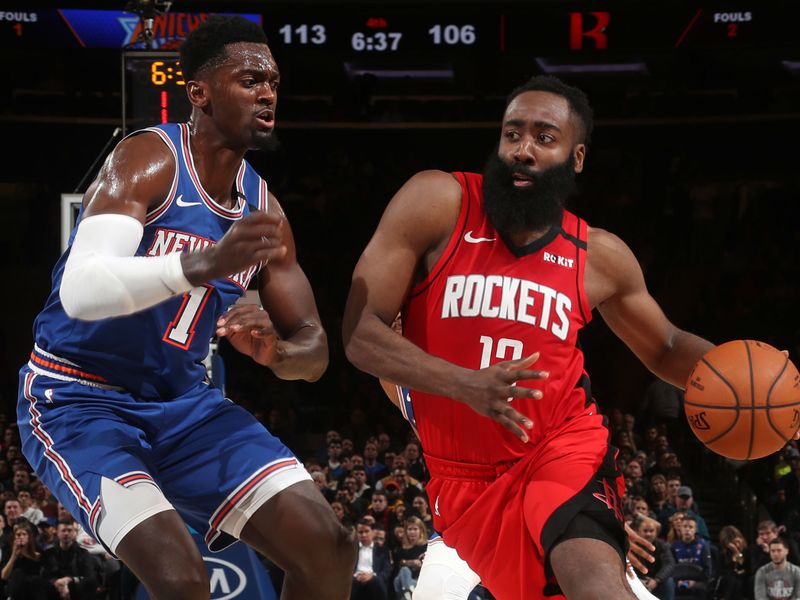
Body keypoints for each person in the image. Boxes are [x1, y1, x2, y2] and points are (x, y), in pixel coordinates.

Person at [342, 74, 720, 599]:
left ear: (576, 157)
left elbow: (667, 348)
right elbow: (360, 332)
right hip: (463, 484)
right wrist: (466, 383)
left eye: (544, 137)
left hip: (561, 449)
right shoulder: (437, 202)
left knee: (593, 582)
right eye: (512, 133)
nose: (522, 150)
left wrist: (745, 380)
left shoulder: (598, 255)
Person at [16, 15, 355, 599]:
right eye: (250, 79)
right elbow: (81, 289)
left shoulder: (264, 212)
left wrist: (277, 352)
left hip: (186, 407)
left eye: (273, 80)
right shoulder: (150, 159)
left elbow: (315, 351)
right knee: (179, 580)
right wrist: (202, 264)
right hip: (79, 400)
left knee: (330, 550)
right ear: (198, 92)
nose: (268, 91)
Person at [352, 518, 392, 600]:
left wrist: (372, 576)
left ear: (372, 532)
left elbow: (386, 570)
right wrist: (356, 576)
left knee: (375, 582)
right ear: (356, 534)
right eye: (360, 532)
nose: (363, 535)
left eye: (366, 531)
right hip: (355, 580)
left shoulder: (382, 550)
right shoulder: (351, 550)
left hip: (375, 581)